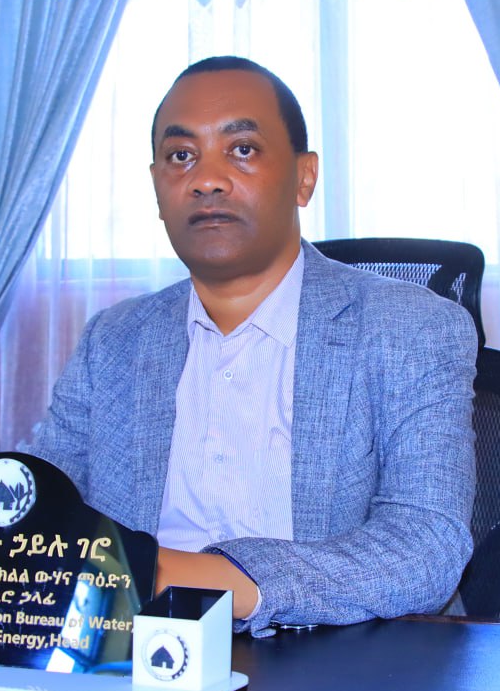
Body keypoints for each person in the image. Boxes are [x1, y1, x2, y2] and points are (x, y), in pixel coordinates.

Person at [34, 56, 476, 635]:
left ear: (304, 178)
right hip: (133, 656)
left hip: (335, 654)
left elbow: (425, 547)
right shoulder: (112, 341)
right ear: (158, 187)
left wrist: (174, 573)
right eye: (181, 156)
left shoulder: (410, 329)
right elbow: (41, 512)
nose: (207, 179)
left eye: (242, 149)